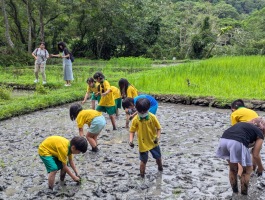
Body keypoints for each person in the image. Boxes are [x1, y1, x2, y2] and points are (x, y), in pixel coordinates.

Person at [216, 117, 265, 196]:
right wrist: (260, 167)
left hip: (223, 140)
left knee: (232, 169)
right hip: (237, 142)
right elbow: (255, 154)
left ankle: (235, 192)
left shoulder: (244, 125)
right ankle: (243, 195)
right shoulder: (259, 133)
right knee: (246, 171)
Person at [129, 98, 163, 178]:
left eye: (144, 111)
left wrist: (157, 138)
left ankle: (160, 168)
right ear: (137, 109)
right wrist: (130, 141)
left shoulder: (152, 117)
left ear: (148, 109)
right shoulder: (136, 119)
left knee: (158, 157)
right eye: (140, 111)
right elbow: (132, 131)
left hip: (153, 142)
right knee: (143, 161)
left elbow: (158, 128)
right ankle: (142, 176)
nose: (142, 113)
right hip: (142, 143)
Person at [230, 99, 259, 177]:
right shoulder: (253, 112)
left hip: (245, 136)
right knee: (255, 152)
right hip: (258, 135)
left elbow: (235, 128)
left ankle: (240, 172)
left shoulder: (235, 113)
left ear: (233, 109)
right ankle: (254, 169)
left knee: (239, 151)